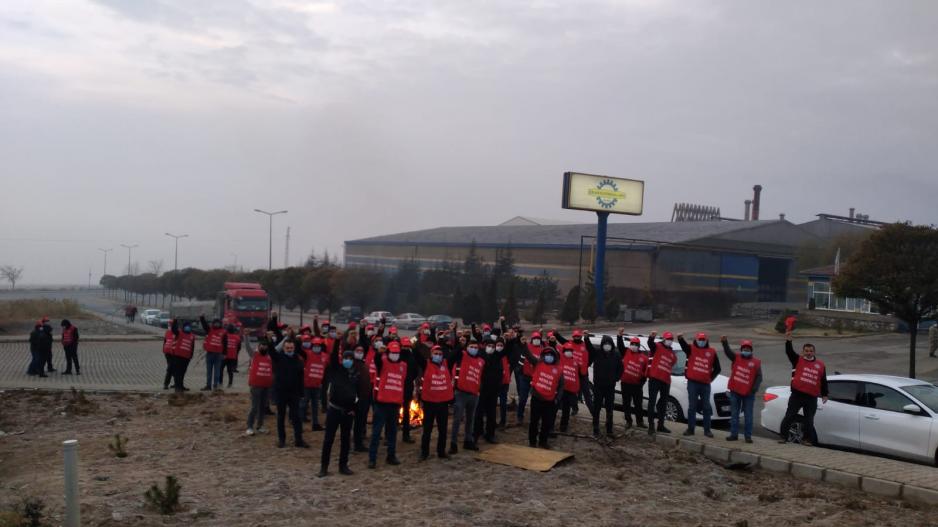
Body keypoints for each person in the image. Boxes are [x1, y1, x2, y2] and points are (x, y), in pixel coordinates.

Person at [779, 330, 828, 445]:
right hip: (797, 395)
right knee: (789, 416)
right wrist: (788, 341)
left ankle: (807, 439)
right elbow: (789, 352)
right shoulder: (797, 360)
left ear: (814, 352)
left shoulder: (820, 365)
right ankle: (784, 437)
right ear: (803, 351)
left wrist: (825, 394)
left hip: (811, 397)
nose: (809, 353)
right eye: (806, 351)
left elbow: (823, 380)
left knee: (809, 420)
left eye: (811, 351)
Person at [318, 343, 360, 477]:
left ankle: (343, 466)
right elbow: (334, 356)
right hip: (334, 410)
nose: (348, 360)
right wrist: (337, 341)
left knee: (346, 440)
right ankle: (324, 467)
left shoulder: (355, 374)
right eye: (346, 358)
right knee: (328, 439)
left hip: (348, 412)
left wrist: (354, 409)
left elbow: (358, 393)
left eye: (350, 358)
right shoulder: (337, 369)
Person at [368, 341, 406, 468]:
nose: (395, 354)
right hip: (381, 404)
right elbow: (377, 360)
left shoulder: (403, 365)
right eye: (393, 352)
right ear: (388, 353)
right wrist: (379, 353)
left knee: (392, 432)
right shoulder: (382, 362)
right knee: (376, 432)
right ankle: (372, 458)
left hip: (395, 404)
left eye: (397, 352)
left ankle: (391, 455)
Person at [678, 332, 721, 438]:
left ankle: (707, 430)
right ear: (696, 340)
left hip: (705, 385)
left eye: (703, 340)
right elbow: (684, 346)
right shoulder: (691, 349)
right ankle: (690, 429)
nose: (701, 341)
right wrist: (680, 338)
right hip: (692, 383)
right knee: (692, 406)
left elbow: (717, 368)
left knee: (706, 407)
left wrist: (710, 379)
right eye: (699, 340)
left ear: (706, 341)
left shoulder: (712, 352)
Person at [270, 336, 309, 448]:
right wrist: (269, 340)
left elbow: (301, 378)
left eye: (291, 348)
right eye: (287, 348)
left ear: (294, 348)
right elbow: (271, 351)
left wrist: (301, 393)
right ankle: (282, 440)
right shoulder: (278, 358)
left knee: (296, 417)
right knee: (281, 417)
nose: (289, 350)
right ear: (283, 348)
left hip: (294, 393)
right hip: (281, 393)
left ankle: (298, 440)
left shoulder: (298, 360)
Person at [416, 344, 454, 460]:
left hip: (443, 402)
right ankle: (424, 452)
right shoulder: (426, 364)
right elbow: (417, 355)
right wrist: (414, 344)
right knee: (427, 429)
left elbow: (455, 354)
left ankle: (441, 451)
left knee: (443, 429)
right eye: (435, 354)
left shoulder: (446, 364)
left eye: (440, 354)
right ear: (431, 354)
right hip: (429, 402)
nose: (438, 356)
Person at [721, 336, 762, 443]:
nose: (746, 350)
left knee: (748, 415)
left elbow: (759, 377)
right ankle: (733, 435)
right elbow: (728, 352)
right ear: (741, 349)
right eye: (744, 349)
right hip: (735, 391)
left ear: (751, 350)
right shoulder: (736, 358)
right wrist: (725, 342)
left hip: (749, 394)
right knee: (734, 414)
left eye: (748, 349)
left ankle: (748, 436)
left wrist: (753, 389)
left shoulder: (756, 362)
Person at [523, 345, 563, 449]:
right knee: (534, 421)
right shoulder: (538, 363)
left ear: (554, 357)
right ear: (543, 356)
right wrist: (523, 344)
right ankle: (532, 441)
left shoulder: (559, 370)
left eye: (551, 355)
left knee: (546, 423)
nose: (549, 356)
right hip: (537, 398)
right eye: (546, 354)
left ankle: (543, 442)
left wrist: (557, 399)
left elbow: (561, 386)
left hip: (550, 401)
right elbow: (528, 355)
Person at [450, 337, 485, 453]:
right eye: (471, 347)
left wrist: (479, 389)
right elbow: (453, 355)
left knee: (470, 419)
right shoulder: (462, 355)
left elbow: (481, 376)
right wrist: (460, 344)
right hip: (461, 393)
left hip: (474, 394)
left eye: (475, 347)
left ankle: (468, 441)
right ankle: (453, 443)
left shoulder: (481, 361)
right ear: (467, 348)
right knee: (457, 419)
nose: (473, 349)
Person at [584, 332, 623, 436]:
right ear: (602, 344)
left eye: (609, 343)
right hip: (598, 386)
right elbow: (589, 348)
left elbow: (620, 369)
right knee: (597, 408)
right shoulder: (597, 353)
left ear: (612, 344)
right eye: (605, 343)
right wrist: (586, 338)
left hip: (610, 387)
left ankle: (609, 429)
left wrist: (616, 378)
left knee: (609, 409)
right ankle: (595, 428)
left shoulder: (616, 355)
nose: (607, 345)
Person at [474, 335, 508, 444]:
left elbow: (506, 350)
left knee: (491, 413)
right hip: (482, 389)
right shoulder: (480, 355)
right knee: (479, 412)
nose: (491, 348)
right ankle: (477, 432)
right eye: (489, 346)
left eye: (493, 347)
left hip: (493, 389)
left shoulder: (497, 356)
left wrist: (510, 339)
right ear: (485, 346)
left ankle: (490, 434)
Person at [647, 331, 677, 435]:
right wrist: (651, 337)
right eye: (668, 339)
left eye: (671, 339)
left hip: (665, 381)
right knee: (652, 402)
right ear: (664, 339)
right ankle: (651, 426)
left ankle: (661, 425)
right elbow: (650, 344)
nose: (670, 341)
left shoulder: (673, 354)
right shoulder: (657, 346)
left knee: (663, 404)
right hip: (654, 379)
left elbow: (672, 364)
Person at [617, 331, 649, 429]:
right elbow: (620, 345)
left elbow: (645, 372)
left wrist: (641, 383)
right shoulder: (626, 352)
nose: (634, 346)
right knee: (626, 404)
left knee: (638, 404)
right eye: (632, 344)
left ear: (639, 346)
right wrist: (619, 336)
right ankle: (628, 421)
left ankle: (640, 422)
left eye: (636, 344)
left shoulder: (644, 358)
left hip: (636, 386)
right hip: (625, 384)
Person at [514, 329, 543, 424]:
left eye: (538, 338)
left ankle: (536, 418)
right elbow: (521, 359)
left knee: (536, 400)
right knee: (522, 398)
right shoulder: (527, 347)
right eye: (535, 338)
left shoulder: (543, 350)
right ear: (532, 339)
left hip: (537, 379)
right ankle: (520, 416)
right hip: (525, 377)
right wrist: (518, 369)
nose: (536, 340)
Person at [245, 339, 273, 436]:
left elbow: (278, 348)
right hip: (256, 386)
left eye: (265, 346)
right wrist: (246, 336)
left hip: (266, 386)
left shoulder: (269, 356)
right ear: (259, 346)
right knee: (254, 407)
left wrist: (287, 337)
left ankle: (260, 426)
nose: (264, 347)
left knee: (262, 407)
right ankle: (249, 427)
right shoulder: (254, 355)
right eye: (262, 345)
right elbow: (247, 347)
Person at [301, 335, 329, 431]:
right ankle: (299, 422)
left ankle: (315, 423)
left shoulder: (325, 356)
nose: (316, 347)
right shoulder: (307, 354)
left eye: (318, 345)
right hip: (306, 384)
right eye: (315, 345)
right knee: (303, 404)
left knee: (315, 405)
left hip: (317, 385)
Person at [557, 342, 581, 433]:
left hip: (570, 390)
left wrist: (576, 388)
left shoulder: (575, 362)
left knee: (566, 410)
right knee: (554, 408)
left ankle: (563, 427)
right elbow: (556, 346)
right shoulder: (560, 358)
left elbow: (576, 376)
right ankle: (550, 426)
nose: (569, 352)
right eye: (567, 350)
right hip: (560, 389)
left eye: (570, 350)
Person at [199, 315, 228, 391]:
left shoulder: (224, 332)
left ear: (220, 324)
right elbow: (205, 325)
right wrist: (202, 318)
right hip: (210, 353)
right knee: (209, 371)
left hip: (218, 354)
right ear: (213, 323)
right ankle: (208, 386)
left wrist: (224, 354)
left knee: (217, 371)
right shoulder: (210, 330)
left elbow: (225, 344)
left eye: (218, 323)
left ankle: (215, 385)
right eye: (215, 323)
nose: (217, 324)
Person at [171, 322, 196, 392]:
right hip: (178, 356)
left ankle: (181, 386)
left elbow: (192, 346)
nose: (188, 328)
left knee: (182, 372)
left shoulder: (192, 336)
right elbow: (173, 329)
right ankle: (177, 387)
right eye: (186, 326)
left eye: (189, 326)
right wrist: (175, 321)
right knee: (177, 372)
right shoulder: (179, 333)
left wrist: (191, 355)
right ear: (183, 327)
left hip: (186, 357)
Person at [162, 320, 177, 389]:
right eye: (168, 324)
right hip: (168, 352)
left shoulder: (176, 332)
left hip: (173, 352)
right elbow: (165, 341)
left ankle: (174, 383)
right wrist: (163, 349)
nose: (169, 326)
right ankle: (166, 384)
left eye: (170, 324)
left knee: (172, 368)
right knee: (171, 368)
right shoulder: (167, 332)